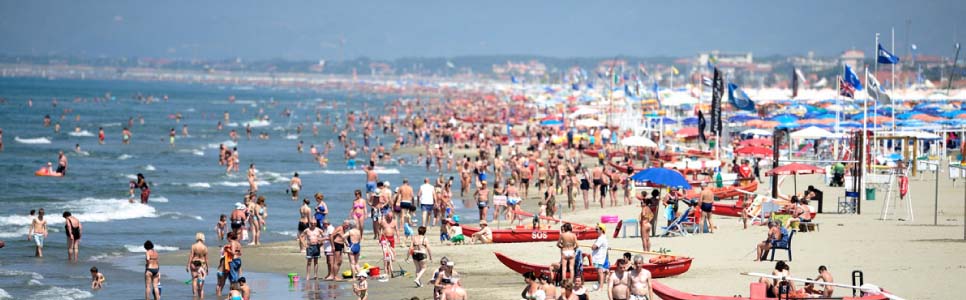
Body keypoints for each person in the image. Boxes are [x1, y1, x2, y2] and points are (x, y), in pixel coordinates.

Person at [187, 232, 208, 298]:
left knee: (194, 280)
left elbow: (191, 256)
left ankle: (195, 295)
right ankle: (201, 296)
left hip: (194, 263)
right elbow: (206, 258)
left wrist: (187, 265)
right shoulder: (205, 247)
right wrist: (207, 268)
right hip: (202, 264)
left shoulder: (193, 246)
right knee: (201, 281)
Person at [591, 223, 609, 291]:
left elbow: (594, 247)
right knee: (600, 272)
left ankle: (600, 287)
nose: (596, 230)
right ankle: (600, 286)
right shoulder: (602, 238)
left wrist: (593, 246)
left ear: (602, 230)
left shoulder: (601, 238)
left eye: (597, 229)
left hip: (599, 258)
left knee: (600, 272)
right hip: (598, 258)